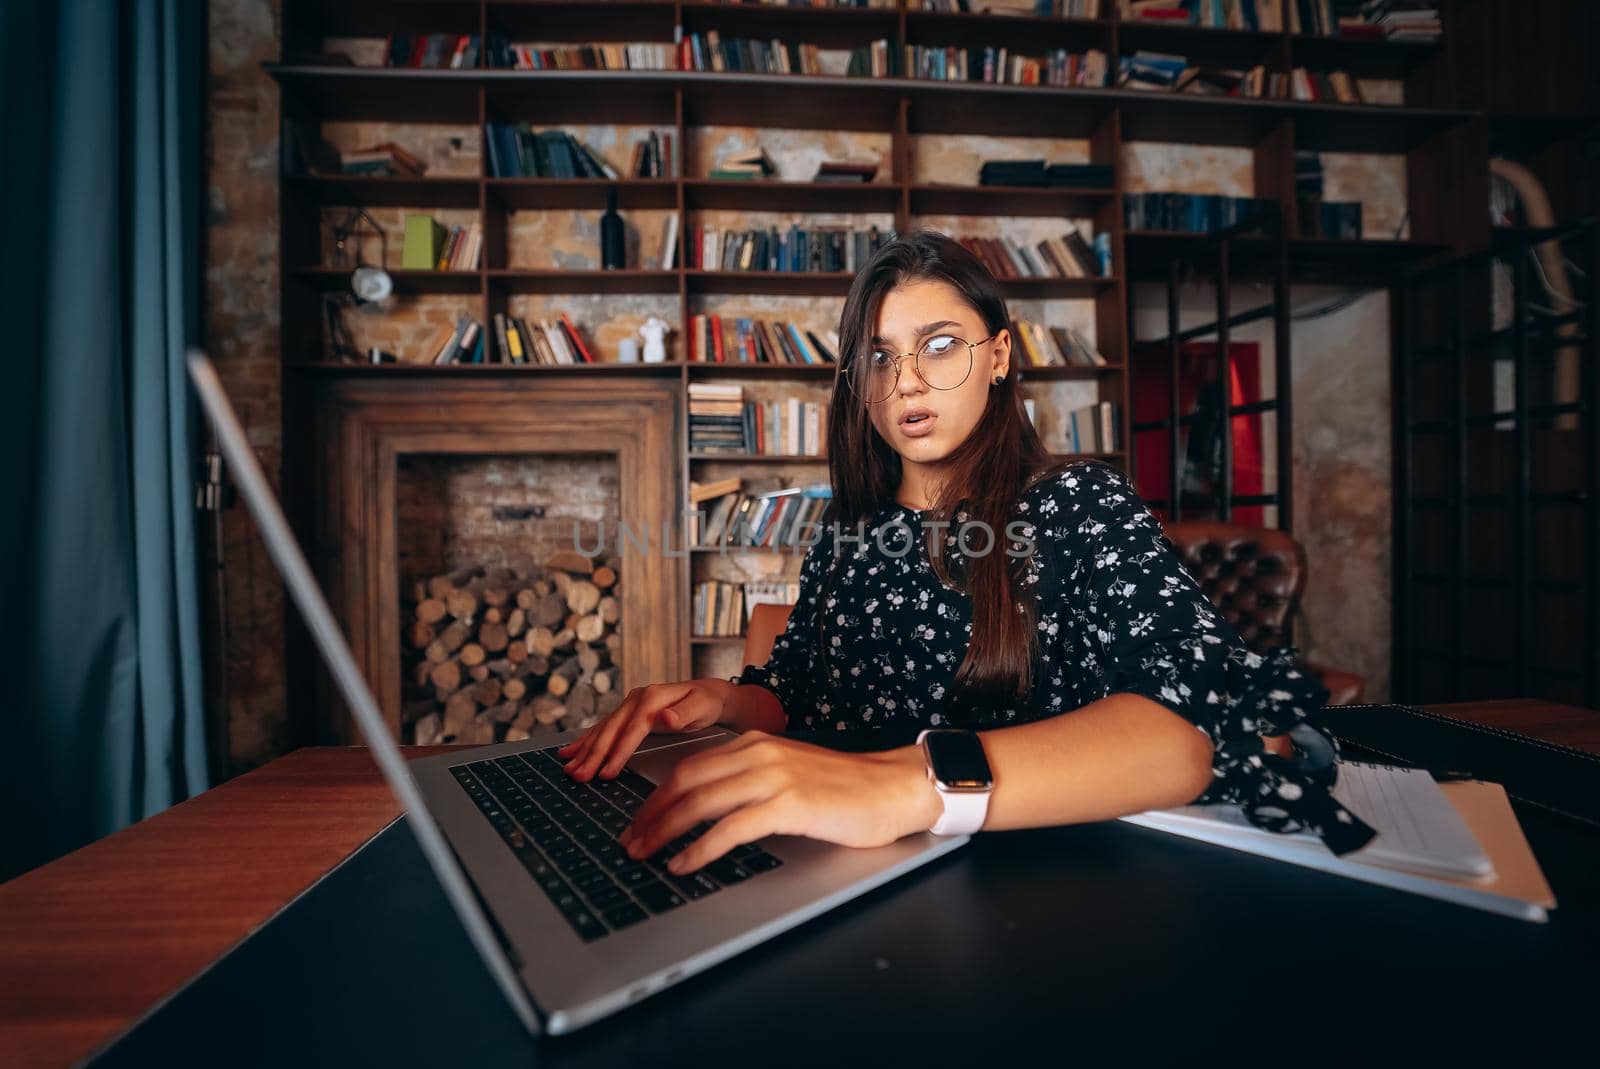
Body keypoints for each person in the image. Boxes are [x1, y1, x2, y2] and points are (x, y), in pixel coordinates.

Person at [560, 228, 1373, 877]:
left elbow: (1198, 721)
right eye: (880, 356)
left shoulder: (1079, 503)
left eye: (939, 344)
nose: (907, 380)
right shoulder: (848, 532)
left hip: (1053, 892)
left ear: (998, 355)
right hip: (844, 876)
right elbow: (801, 691)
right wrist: (724, 702)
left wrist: (906, 784)